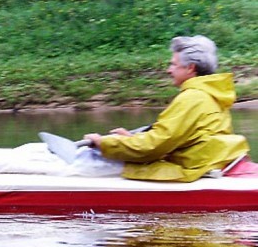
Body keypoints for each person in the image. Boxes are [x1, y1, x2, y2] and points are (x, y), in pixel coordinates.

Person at [83, 35, 251, 182]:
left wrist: (104, 143)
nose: (168, 70)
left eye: (173, 64)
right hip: (208, 162)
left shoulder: (192, 97)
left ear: (190, 68)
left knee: (89, 159)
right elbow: (174, 141)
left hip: (192, 170)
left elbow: (153, 147)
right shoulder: (212, 94)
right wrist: (128, 140)